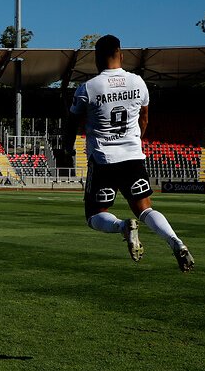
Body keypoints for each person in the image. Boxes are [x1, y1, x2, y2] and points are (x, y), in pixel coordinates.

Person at [64, 34, 194, 272]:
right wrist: (134, 141)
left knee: (95, 215)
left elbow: (71, 122)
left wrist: (65, 148)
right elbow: (144, 119)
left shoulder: (88, 88)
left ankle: (123, 226)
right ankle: (176, 242)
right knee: (146, 209)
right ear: (121, 55)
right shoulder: (138, 82)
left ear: (96, 58)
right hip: (133, 157)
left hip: (103, 160)